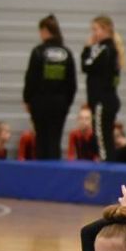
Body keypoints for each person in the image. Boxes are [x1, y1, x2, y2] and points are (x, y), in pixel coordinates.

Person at [23, 15, 77, 160]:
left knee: (41, 139)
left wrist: (27, 99)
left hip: (39, 102)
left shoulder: (38, 51)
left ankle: (42, 170)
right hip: (60, 103)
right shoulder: (66, 53)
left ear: (45, 30)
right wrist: (67, 102)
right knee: (55, 140)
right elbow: (72, 82)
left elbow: (31, 78)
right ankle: (54, 169)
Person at [80, 16, 125, 162]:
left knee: (101, 139)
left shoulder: (104, 49)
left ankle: (106, 167)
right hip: (108, 99)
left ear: (105, 30)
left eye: (95, 30)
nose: (93, 34)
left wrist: (87, 48)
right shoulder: (112, 49)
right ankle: (109, 164)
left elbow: (86, 65)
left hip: (102, 101)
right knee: (106, 138)